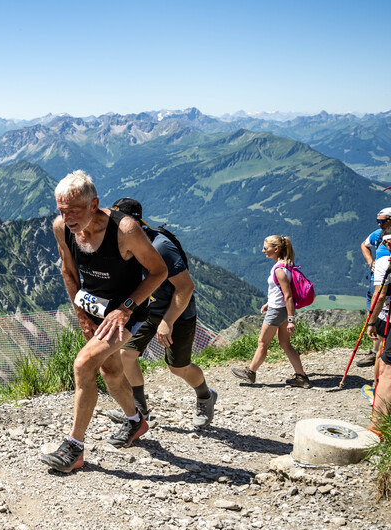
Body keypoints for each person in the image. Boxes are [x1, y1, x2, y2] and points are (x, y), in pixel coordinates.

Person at [40, 171, 168, 474]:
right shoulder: (62, 228)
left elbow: (159, 272)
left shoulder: (125, 229)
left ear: (94, 203)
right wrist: (82, 316)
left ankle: (74, 447)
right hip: (94, 311)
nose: (67, 217)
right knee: (110, 372)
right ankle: (136, 421)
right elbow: (68, 273)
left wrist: (124, 309)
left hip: (126, 313)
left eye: (74, 210)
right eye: (61, 210)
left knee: (83, 364)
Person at [102, 198, 218, 429]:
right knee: (126, 353)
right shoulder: (126, 244)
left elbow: (186, 287)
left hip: (177, 311)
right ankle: (139, 409)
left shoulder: (161, 246)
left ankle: (205, 396)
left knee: (178, 367)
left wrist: (168, 321)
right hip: (147, 308)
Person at [231, 236, 310, 387]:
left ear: (276, 249)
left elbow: (288, 295)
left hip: (277, 311)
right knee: (285, 343)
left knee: (262, 342)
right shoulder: (286, 265)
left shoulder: (279, 269)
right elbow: (282, 293)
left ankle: (250, 372)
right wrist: (270, 302)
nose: (263, 250)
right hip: (281, 309)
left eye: (266, 248)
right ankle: (301, 377)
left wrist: (292, 320)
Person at [364, 225, 391, 437]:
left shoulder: (384, 263)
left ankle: (377, 429)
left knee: (386, 366)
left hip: (386, 315)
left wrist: (371, 321)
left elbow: (379, 295)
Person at [359, 208, 391, 368]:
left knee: (378, 319)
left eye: (382, 221)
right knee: (376, 318)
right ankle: (376, 350)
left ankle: (379, 353)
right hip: (375, 283)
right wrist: (371, 262)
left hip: (382, 287)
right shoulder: (378, 235)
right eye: (377, 221)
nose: (379, 224)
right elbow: (364, 245)